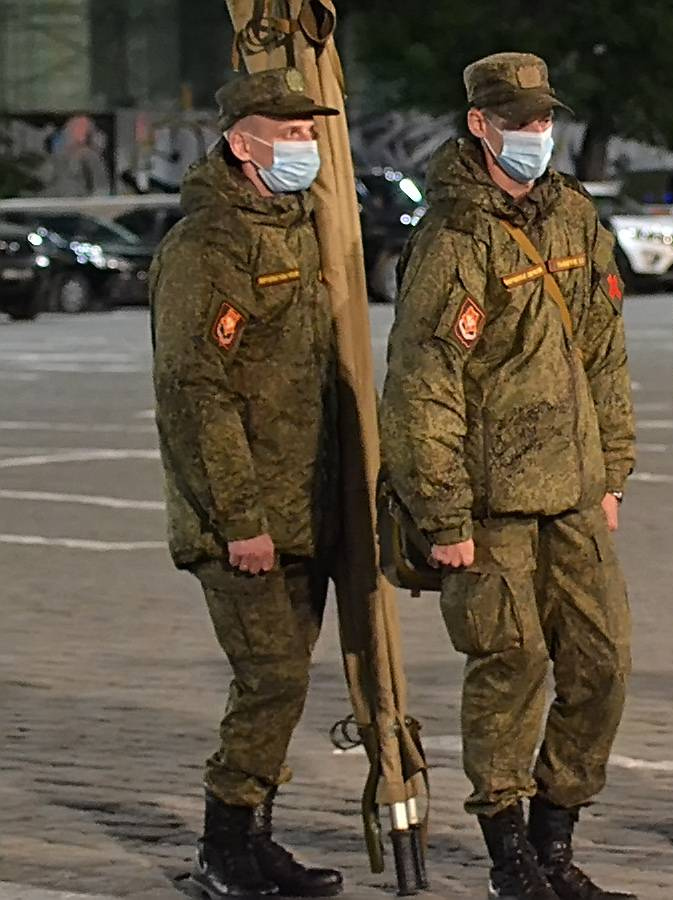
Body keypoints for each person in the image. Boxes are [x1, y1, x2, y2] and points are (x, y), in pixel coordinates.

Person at [379, 52, 634, 900]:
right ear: (478, 125)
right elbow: (424, 383)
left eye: (543, 119)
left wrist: (613, 470)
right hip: (489, 507)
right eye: (519, 121)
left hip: (573, 493)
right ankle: (509, 852)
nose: (537, 134)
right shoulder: (454, 236)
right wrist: (443, 515)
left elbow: (603, 351)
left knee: (604, 664)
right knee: (511, 666)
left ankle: (557, 835)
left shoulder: (574, 217)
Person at [150, 67, 344, 899]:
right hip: (246, 516)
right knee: (272, 678)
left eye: (310, 135)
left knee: (284, 680)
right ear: (240, 144)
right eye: (289, 136)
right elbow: (196, 391)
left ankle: (256, 836)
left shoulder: (298, 228)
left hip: (306, 507)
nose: (305, 149)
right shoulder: (208, 246)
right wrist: (239, 516)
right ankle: (223, 841)